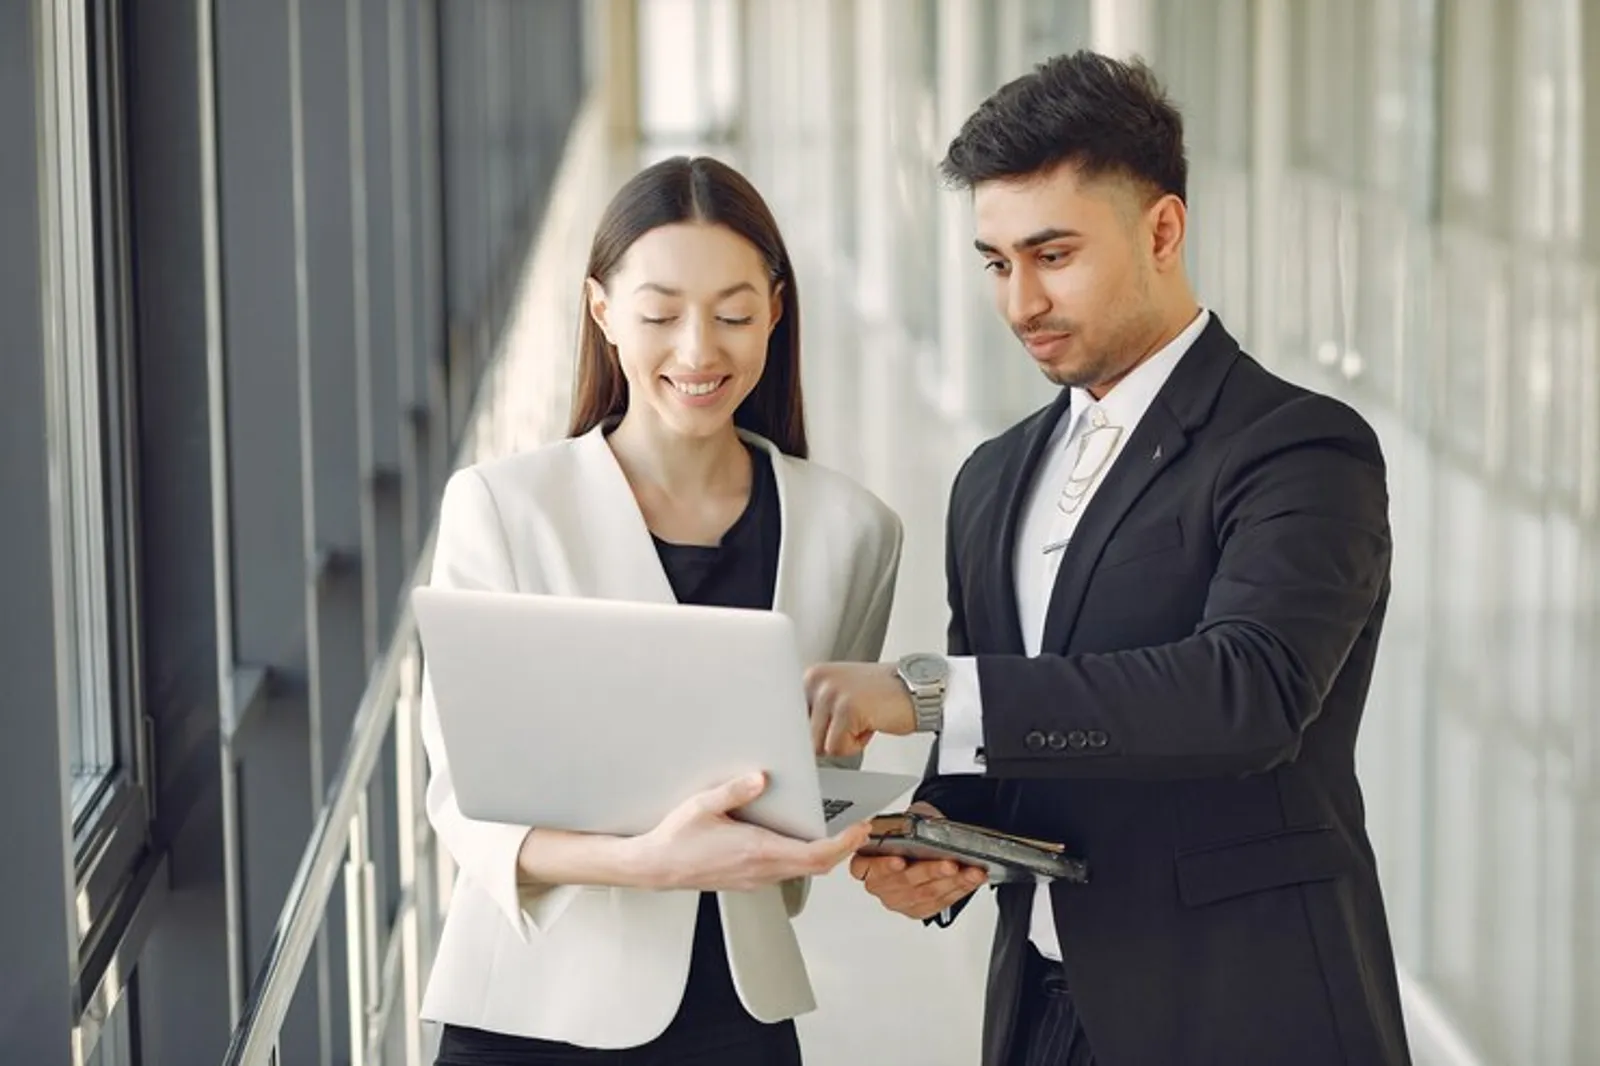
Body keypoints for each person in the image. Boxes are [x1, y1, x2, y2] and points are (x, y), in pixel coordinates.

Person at [804, 52, 1411, 1066]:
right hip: (1043, 1011)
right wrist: (944, 841)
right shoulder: (990, 480)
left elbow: (1245, 694)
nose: (1019, 302)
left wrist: (921, 693)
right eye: (996, 262)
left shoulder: (1297, 447)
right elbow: (1002, 758)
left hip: (1249, 1009)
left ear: (1162, 230)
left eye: (1053, 254)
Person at [419, 155, 904, 1065]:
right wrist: (645, 864)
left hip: (740, 1014)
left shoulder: (853, 531)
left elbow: (814, 782)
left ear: (776, 309)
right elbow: (465, 804)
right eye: (658, 314)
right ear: (602, 312)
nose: (697, 351)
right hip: (530, 1012)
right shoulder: (501, 508)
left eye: (732, 314)